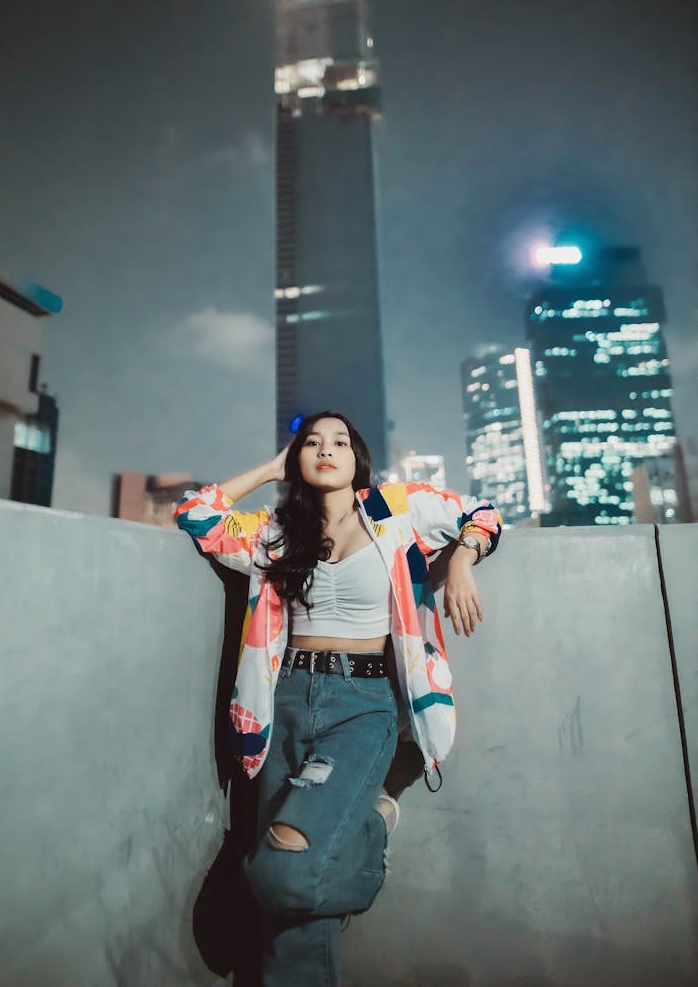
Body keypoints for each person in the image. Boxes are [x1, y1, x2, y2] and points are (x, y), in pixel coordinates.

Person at [174, 411, 501, 986]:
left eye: (340, 442)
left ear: (358, 458)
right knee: (290, 900)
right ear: (297, 460)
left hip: (363, 700)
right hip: (286, 700)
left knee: (281, 866)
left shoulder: (394, 508)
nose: (326, 450)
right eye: (311, 444)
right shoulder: (278, 532)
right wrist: (270, 468)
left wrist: (465, 560)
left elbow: (483, 514)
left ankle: (370, 827)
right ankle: (361, 828)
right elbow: (196, 514)